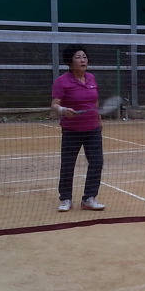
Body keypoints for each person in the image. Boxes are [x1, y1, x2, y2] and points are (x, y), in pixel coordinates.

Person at [51, 45, 106, 212]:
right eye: (78, 57)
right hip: (72, 131)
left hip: (92, 129)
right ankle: (65, 199)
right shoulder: (62, 81)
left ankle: (89, 198)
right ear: (70, 62)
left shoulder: (91, 78)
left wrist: (99, 119)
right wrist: (63, 110)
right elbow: (54, 105)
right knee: (68, 165)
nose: (83, 60)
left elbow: (94, 101)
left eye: (84, 57)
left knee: (96, 163)